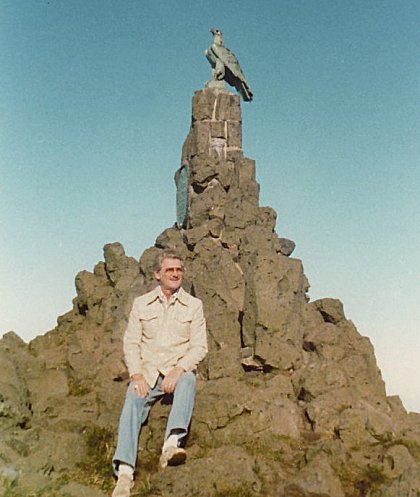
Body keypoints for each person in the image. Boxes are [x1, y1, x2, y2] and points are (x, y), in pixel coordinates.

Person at [111, 250, 208, 497]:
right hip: (148, 372)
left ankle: (170, 446)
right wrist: (136, 375)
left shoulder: (194, 306)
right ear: (157, 275)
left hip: (176, 369)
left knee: (189, 379)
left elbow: (199, 346)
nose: (175, 274)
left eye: (179, 270)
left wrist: (179, 368)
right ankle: (124, 474)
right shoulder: (141, 304)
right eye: (169, 270)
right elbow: (131, 342)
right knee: (132, 398)